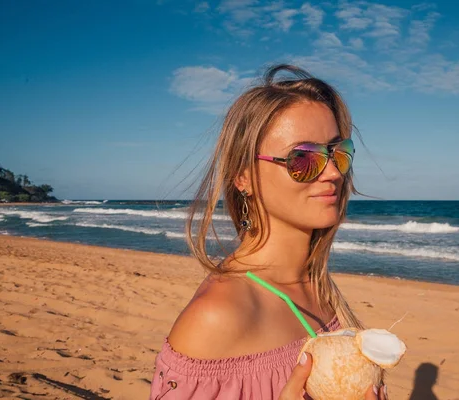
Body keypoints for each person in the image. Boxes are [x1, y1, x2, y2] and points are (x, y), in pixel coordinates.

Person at [149, 64, 387, 399]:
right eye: (302, 157)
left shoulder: (319, 288)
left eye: (338, 152)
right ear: (243, 176)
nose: (333, 172)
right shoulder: (217, 318)